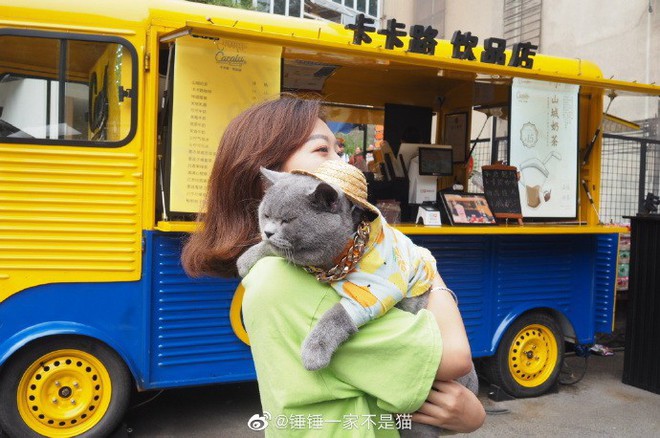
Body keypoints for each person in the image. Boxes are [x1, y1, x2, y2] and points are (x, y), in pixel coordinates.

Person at [182, 95, 485, 436]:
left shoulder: (304, 264)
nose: (342, 164)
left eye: (338, 151)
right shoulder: (285, 280)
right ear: (271, 175)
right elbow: (454, 357)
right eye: (322, 150)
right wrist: (427, 269)